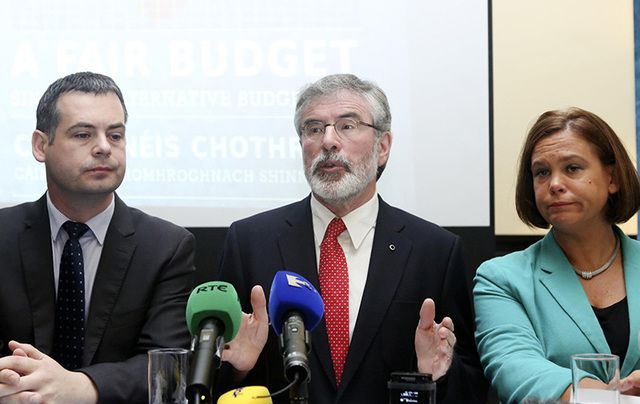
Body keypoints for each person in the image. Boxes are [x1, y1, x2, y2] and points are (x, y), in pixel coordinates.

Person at [217, 73, 488, 403]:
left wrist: (440, 373)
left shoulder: (435, 252)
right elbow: (218, 381)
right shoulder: (249, 242)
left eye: (347, 125)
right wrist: (237, 371)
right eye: (314, 128)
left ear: (383, 147)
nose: (328, 141)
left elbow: (474, 386)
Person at [0, 72, 196, 403]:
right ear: (40, 145)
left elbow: (168, 364)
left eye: (115, 135)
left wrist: (83, 386)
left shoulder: (166, 247)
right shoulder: (4, 235)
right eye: (83, 134)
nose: (104, 147)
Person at [474, 107, 640, 403]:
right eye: (542, 172)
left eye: (572, 168)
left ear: (612, 178)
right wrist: (611, 397)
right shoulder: (501, 278)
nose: (554, 184)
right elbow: (515, 369)